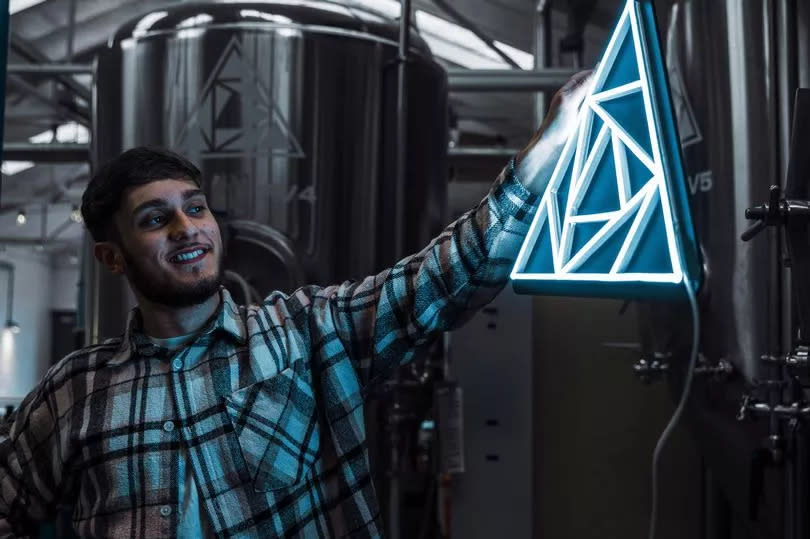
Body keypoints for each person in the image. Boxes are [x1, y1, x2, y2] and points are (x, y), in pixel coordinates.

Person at [0, 71, 591, 538]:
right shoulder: (74, 392)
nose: (187, 228)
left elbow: (446, 274)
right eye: (156, 220)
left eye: (196, 207)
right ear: (112, 258)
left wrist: (549, 146)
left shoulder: (305, 333)